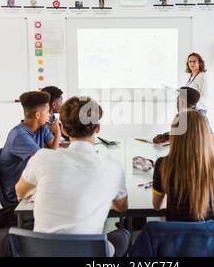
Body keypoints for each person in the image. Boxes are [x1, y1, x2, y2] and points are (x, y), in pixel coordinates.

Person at [15, 96, 130, 257]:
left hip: (41, 252)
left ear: (64, 130)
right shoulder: (113, 167)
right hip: (89, 254)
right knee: (123, 235)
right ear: (97, 128)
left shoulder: (42, 158)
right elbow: (122, 207)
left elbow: (20, 193)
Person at [152, 110, 214, 221]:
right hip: (213, 236)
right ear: (205, 136)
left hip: (178, 236)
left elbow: (157, 206)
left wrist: (171, 188)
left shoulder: (163, 165)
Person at [0, 91, 60, 203]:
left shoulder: (41, 127)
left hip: (33, 183)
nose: (50, 115)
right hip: (18, 192)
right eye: (47, 111)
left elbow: (53, 151)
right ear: (38, 115)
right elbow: (45, 161)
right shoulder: (19, 136)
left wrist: (57, 132)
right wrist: (58, 133)